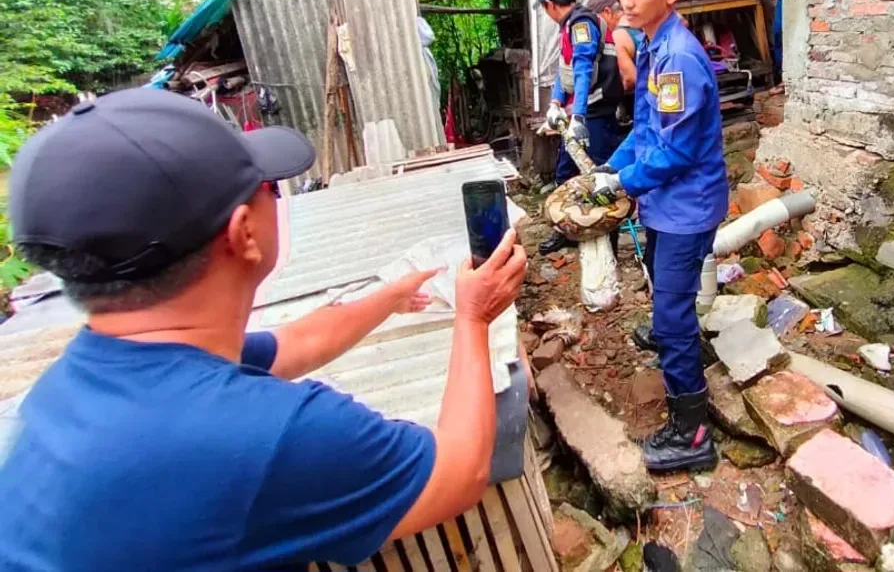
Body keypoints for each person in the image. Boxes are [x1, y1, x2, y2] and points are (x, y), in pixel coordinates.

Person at [0, 88, 527, 572]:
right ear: (243, 232)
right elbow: (457, 472)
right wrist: (472, 316)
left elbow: (297, 343)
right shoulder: (273, 435)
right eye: (270, 189)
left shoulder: (71, 387)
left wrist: (388, 298)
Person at [585, 0, 729, 473]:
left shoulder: (678, 58)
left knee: (670, 312)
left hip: (687, 207)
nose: (626, 0)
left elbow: (676, 150)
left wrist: (622, 182)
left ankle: (692, 435)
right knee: (663, 289)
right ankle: (675, 331)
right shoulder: (650, 45)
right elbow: (647, 130)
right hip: (664, 203)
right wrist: (609, 168)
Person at [538, 0, 625, 255]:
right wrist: (554, 102)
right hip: (582, 112)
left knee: (598, 174)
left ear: (549, 5)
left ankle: (607, 241)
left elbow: (583, 69)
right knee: (565, 171)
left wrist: (578, 116)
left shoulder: (582, 24)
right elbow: (565, 71)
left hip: (596, 114)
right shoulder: (569, 26)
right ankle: (566, 230)